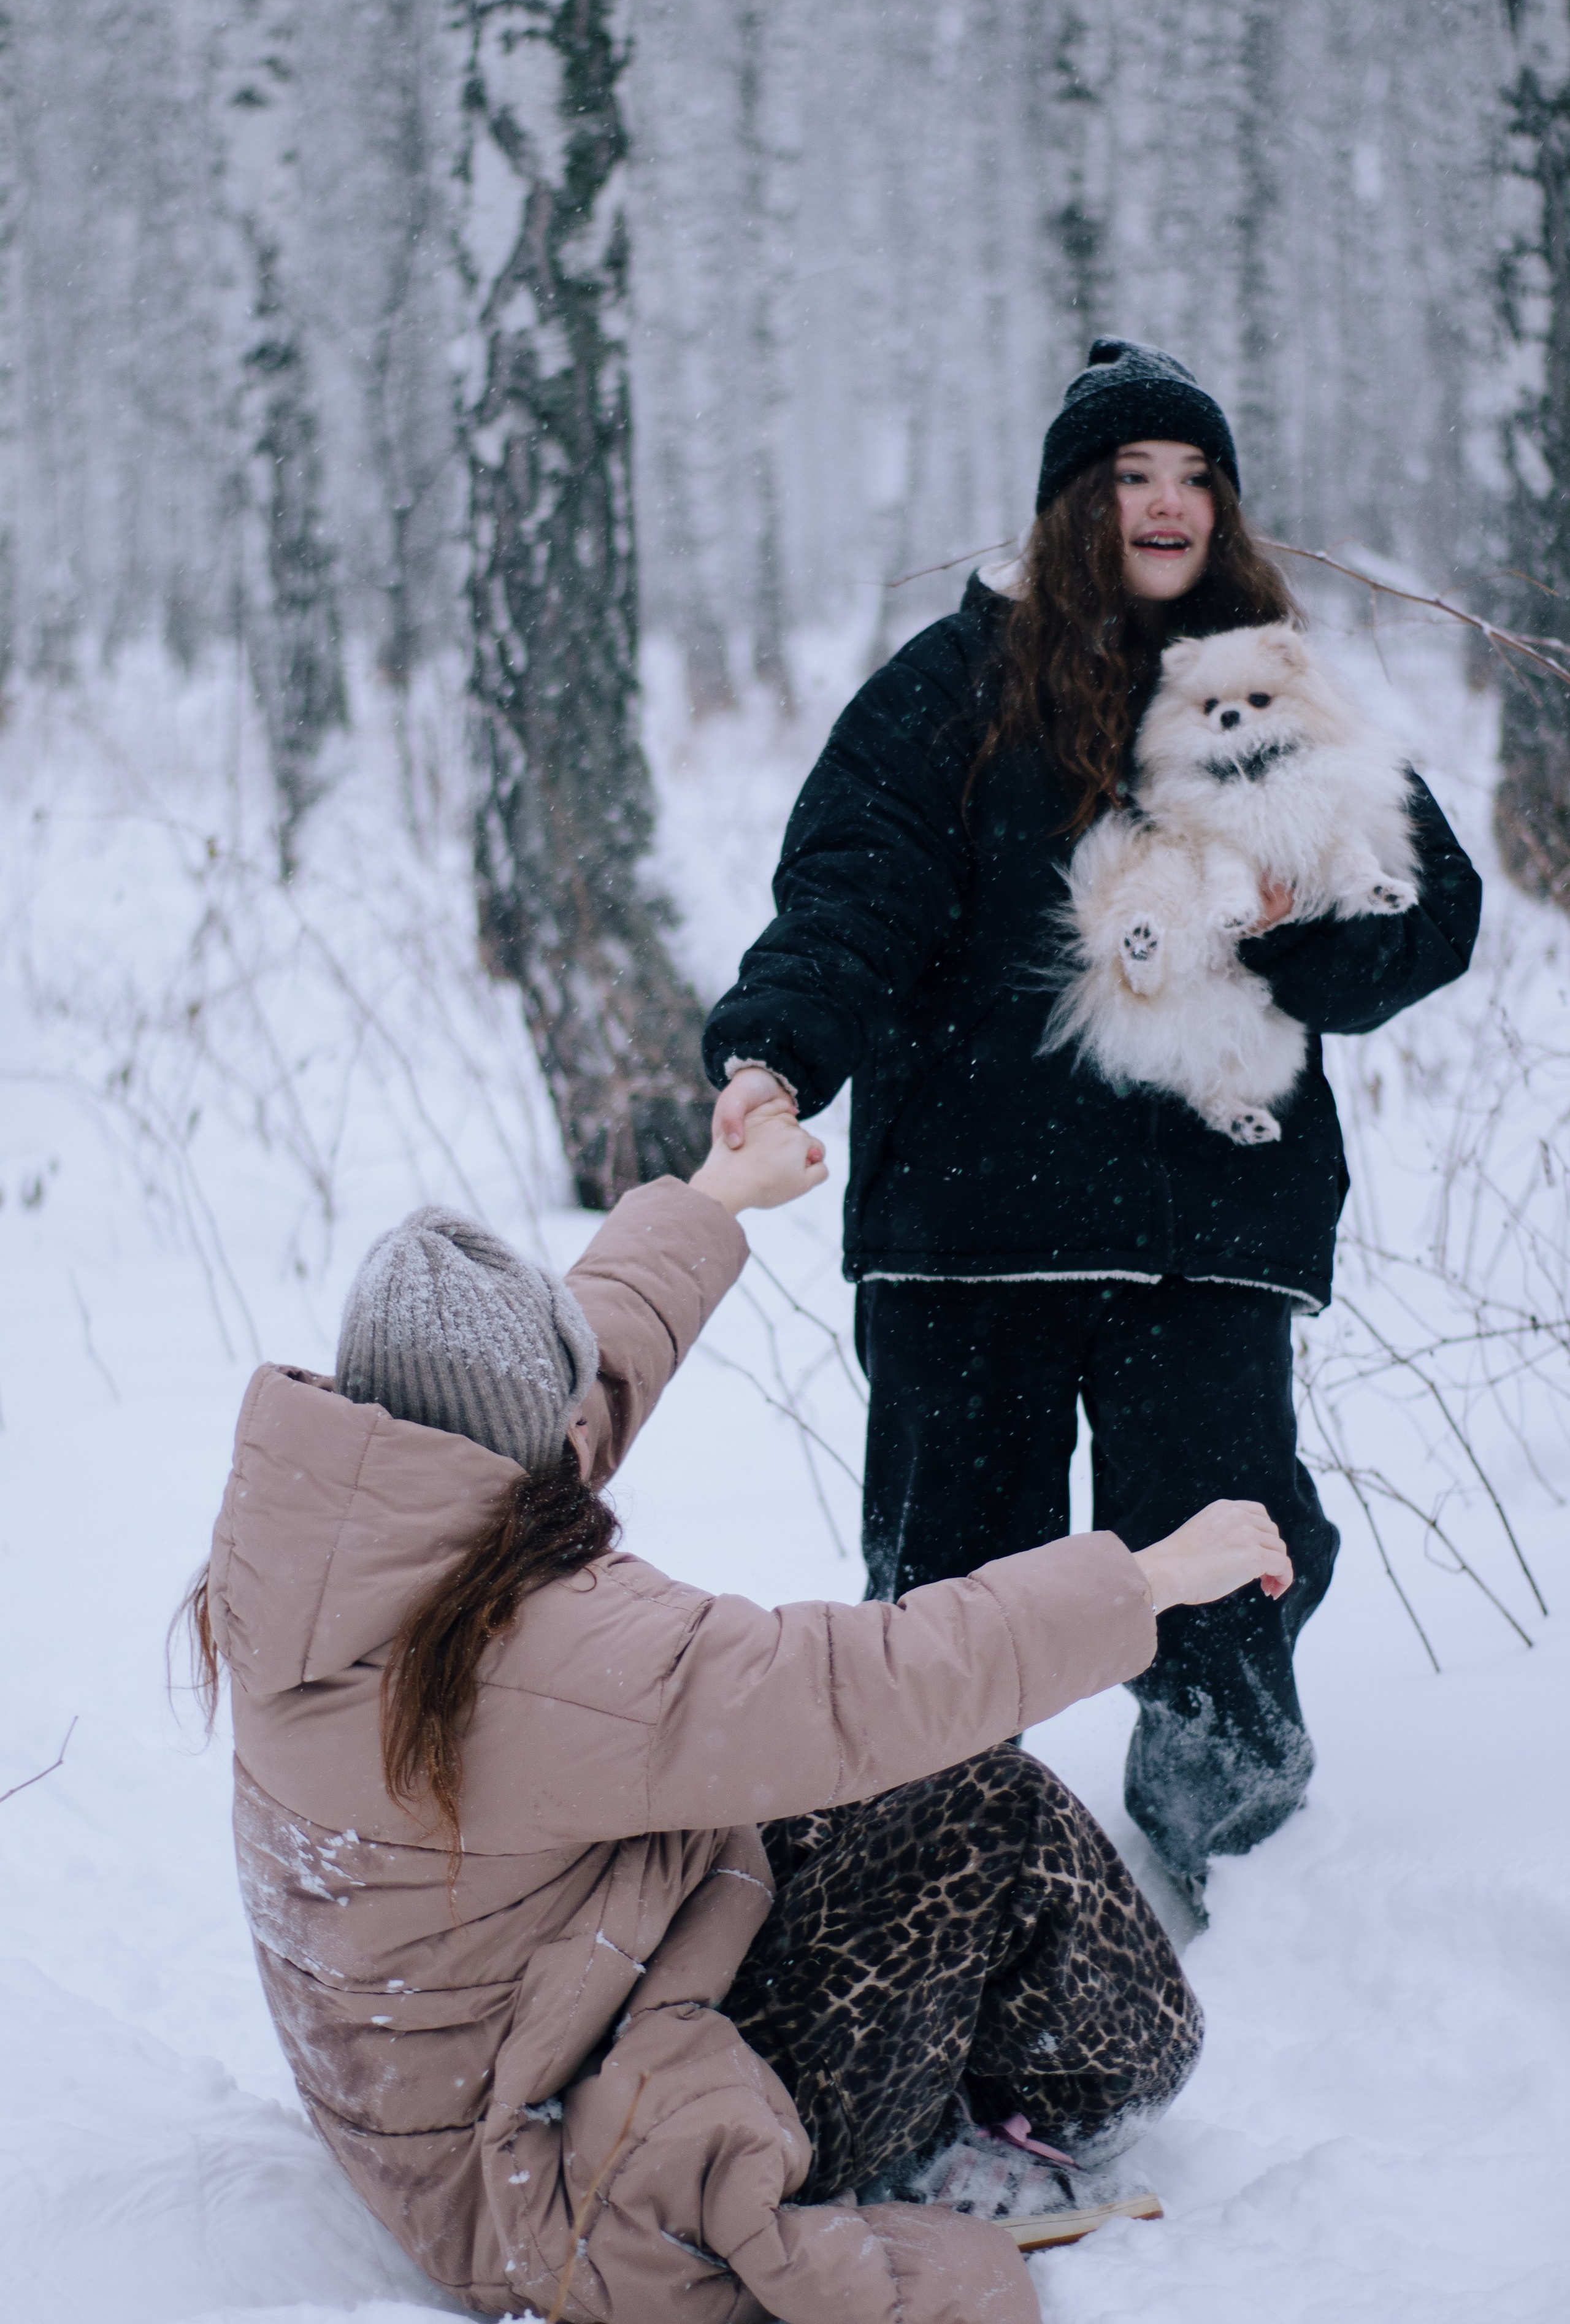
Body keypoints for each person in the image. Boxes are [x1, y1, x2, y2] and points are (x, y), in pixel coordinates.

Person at [186, 1092, 1290, 2324]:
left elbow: (566, 1384)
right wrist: (1143, 1577)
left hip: (464, 2097)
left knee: (841, 1816)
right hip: (567, 2181)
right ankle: (1032, 2130)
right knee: (979, 1811)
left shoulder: (329, 1542)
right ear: (525, 1443)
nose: (579, 1430)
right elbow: (856, 1687)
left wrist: (714, 1196)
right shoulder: (543, 1656)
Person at [702, 337, 1482, 1906]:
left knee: (1222, 1571)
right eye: (1132, 476)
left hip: (1204, 1225)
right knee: (948, 1599)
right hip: (968, 1230)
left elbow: (1424, 912)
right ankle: (921, 1881)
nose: (1167, 504)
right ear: (1071, 502)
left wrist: (1299, 928)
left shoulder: (1267, 693)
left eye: (1195, 478)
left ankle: (1241, 1885)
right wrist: (775, 1057)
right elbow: (850, 895)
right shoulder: (949, 691)